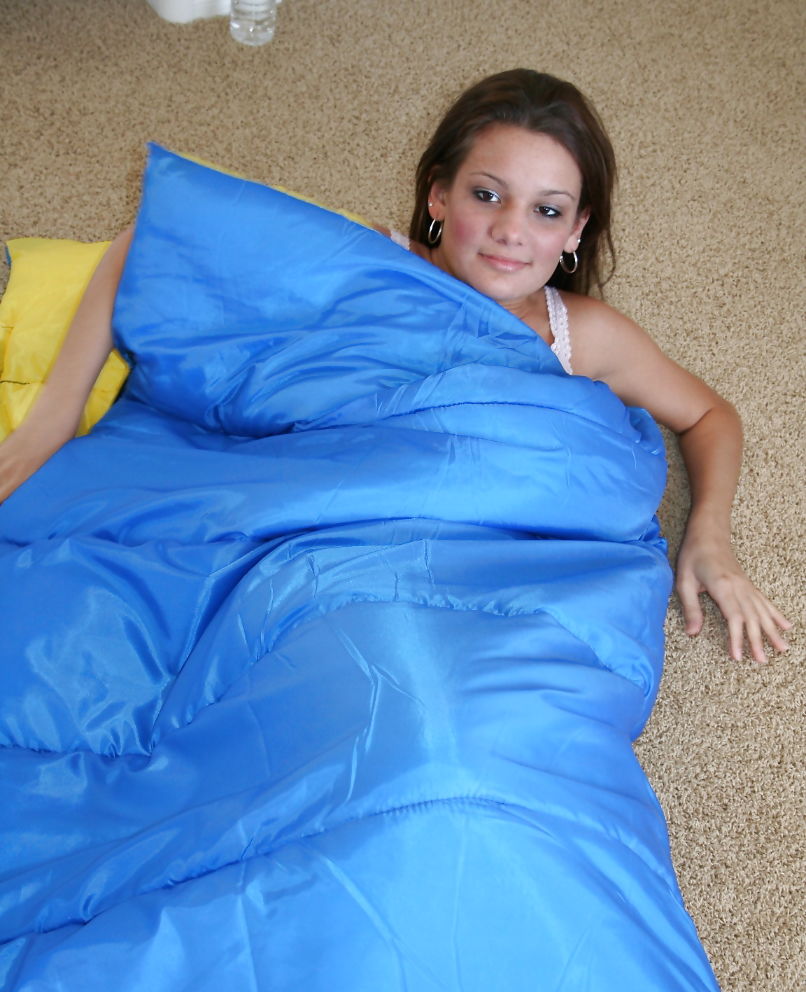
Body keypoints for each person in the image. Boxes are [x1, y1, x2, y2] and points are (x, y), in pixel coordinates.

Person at [0, 68, 791, 663]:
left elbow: (708, 414)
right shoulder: (370, 264)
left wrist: (708, 535)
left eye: (547, 210)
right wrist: (50, 423)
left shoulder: (581, 334)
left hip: (420, 584)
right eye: (487, 195)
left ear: (575, 231)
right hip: (292, 508)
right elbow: (157, 241)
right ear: (438, 196)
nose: (512, 231)